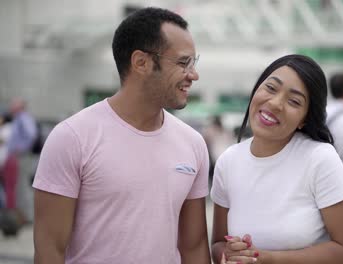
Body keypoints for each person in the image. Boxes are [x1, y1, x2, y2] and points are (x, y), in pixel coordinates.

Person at [33, 7, 210, 264]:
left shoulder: (193, 144)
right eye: (183, 63)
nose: (193, 74)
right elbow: (50, 251)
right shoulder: (72, 138)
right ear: (141, 62)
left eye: (194, 63)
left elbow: (193, 248)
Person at [211, 55, 343, 264]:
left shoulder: (319, 158)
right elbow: (218, 243)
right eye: (271, 88)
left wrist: (269, 259)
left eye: (293, 101)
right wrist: (231, 254)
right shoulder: (228, 161)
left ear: (304, 119)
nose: (275, 103)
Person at [2, 98, 38, 226]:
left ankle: (28, 217)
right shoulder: (17, 119)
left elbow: (31, 134)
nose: (10, 105)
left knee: (22, 187)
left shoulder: (23, 118)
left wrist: (20, 149)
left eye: (13, 103)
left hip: (21, 157)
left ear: (20, 106)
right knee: (18, 188)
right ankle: (21, 216)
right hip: (16, 157)